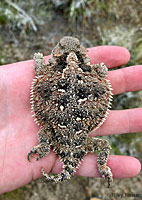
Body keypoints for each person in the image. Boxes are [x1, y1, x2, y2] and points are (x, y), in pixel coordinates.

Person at [0, 46, 141, 194]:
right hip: (77, 135)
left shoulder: (50, 72)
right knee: (104, 146)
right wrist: (101, 69)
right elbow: (103, 73)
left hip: (56, 134)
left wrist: (38, 60)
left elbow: (40, 72)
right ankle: (102, 167)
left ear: (57, 54)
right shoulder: (93, 72)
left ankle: (44, 146)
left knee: (45, 133)